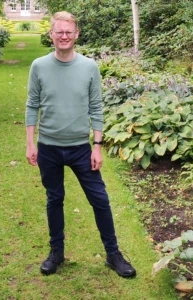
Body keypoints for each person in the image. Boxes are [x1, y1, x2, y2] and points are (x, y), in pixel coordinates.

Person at [25, 11, 136, 278]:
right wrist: (31, 143)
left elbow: (97, 107)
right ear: (51, 34)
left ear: (76, 34)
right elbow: (32, 105)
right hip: (49, 148)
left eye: (68, 32)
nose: (64, 36)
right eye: (59, 31)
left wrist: (97, 145)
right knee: (55, 199)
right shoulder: (39, 66)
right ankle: (57, 252)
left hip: (80, 148)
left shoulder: (89, 67)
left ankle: (113, 254)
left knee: (100, 199)